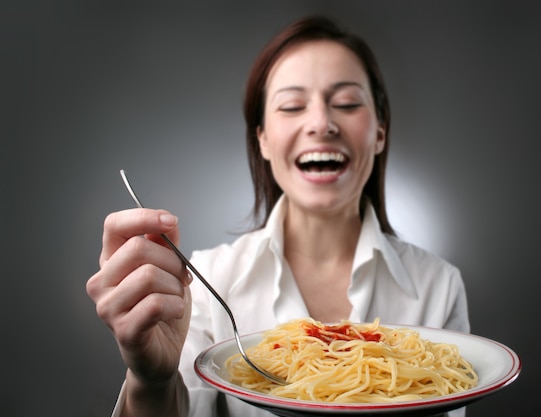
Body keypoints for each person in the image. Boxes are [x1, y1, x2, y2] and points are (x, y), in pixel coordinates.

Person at [86, 15, 470, 417]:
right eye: (291, 106)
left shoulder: (438, 286)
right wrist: (152, 380)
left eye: (347, 103)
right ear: (263, 139)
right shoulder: (208, 280)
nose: (321, 123)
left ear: (379, 132)